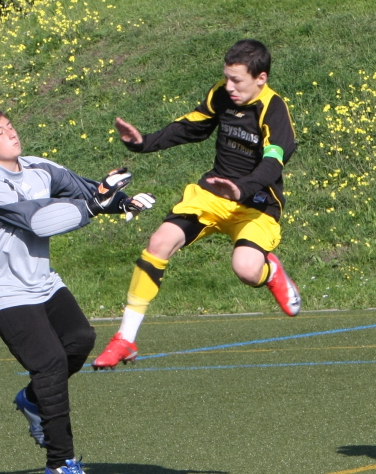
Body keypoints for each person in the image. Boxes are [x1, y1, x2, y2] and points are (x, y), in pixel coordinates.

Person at [0, 108, 155, 474]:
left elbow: (84, 190)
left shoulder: (39, 167)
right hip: (3, 289)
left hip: (42, 281)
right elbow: (38, 221)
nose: (11, 133)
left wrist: (119, 201)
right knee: (49, 363)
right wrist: (94, 206)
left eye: (10, 126)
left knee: (80, 339)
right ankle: (60, 464)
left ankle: (33, 400)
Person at [92, 39, 300, 370]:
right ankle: (124, 339)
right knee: (159, 242)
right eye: (226, 78)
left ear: (261, 78)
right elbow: (192, 127)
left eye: (237, 80)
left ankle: (271, 271)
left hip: (256, 203)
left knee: (247, 270)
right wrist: (143, 142)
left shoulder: (273, 109)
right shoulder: (222, 94)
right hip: (212, 195)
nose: (228, 86)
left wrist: (241, 189)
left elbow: (273, 162)